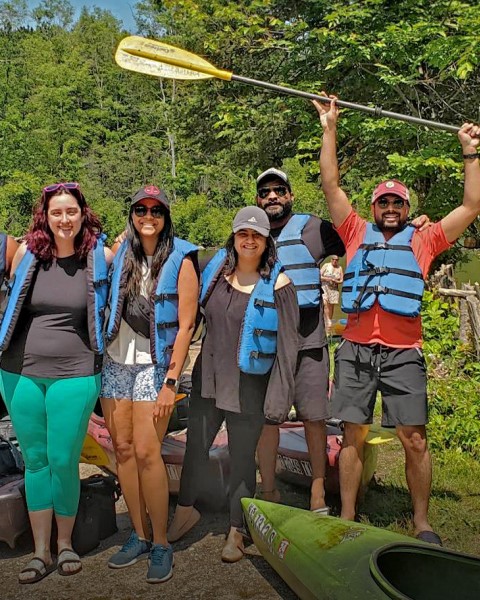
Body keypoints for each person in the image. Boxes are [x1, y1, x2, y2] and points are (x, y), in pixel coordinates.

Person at [315, 94, 480, 544]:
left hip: (404, 353)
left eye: (397, 203)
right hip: (355, 350)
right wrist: (329, 128)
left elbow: (470, 205)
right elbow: (331, 185)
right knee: (352, 433)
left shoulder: (424, 240)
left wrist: (470, 151)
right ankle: (348, 513)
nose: (390, 208)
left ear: (406, 209)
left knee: (415, 439)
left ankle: (422, 521)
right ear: (373, 208)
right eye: (383, 202)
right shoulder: (353, 232)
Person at [167, 206, 298, 561]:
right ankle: (185, 509)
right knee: (195, 448)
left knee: (242, 458)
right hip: (208, 381)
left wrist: (280, 399)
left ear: (267, 241)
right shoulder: (214, 273)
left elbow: (288, 348)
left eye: (256, 235)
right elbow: (173, 259)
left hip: (249, 388)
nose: (249, 240)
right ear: (234, 237)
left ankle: (237, 530)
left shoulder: (280, 285)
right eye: (243, 234)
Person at [0, 182, 112, 583]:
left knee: (64, 461)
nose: (64, 219)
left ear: (83, 214)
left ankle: (65, 544)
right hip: (19, 371)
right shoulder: (23, 254)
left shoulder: (101, 258)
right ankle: (40, 550)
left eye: (71, 211)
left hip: (76, 373)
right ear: (45, 217)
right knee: (36, 461)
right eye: (56, 213)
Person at [101, 185, 199, 583]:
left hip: (156, 366)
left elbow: (186, 325)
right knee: (122, 449)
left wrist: (171, 381)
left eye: (156, 210)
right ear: (132, 214)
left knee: (146, 452)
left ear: (166, 217)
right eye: (140, 209)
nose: (148, 216)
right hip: (115, 363)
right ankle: (138, 535)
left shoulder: (182, 257)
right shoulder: (120, 254)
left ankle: (161, 541)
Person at [254, 168, 345, 513]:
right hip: (269, 337)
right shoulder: (252, 233)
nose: (273, 196)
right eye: (266, 192)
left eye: (279, 190)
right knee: (268, 416)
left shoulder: (313, 228)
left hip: (308, 334)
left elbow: (356, 238)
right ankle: (269, 491)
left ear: (291, 196)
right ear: (258, 199)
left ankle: (318, 492)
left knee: (314, 415)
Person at [320, 255, 344, 330]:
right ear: (331, 260)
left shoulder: (339, 268)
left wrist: (335, 281)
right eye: (333, 259)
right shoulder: (326, 265)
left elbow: (341, 280)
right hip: (325, 287)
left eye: (336, 260)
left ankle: (328, 325)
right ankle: (328, 320)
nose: (335, 261)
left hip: (333, 289)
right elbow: (319, 276)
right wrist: (328, 279)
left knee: (331, 307)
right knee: (325, 302)